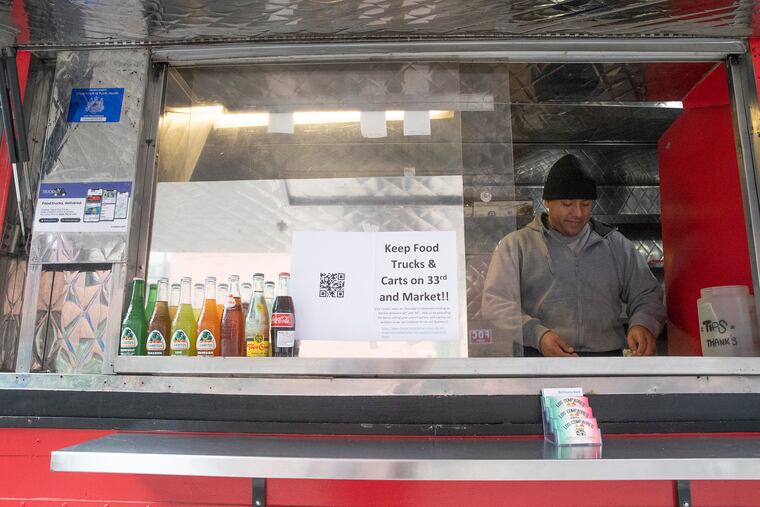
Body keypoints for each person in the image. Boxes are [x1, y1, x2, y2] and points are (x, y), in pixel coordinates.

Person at [481, 154, 666, 357]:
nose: (577, 213)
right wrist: (537, 335)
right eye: (567, 204)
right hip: (540, 356)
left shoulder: (615, 244)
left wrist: (643, 324)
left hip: (606, 359)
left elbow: (646, 293)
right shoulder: (517, 244)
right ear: (547, 202)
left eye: (586, 204)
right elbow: (495, 303)